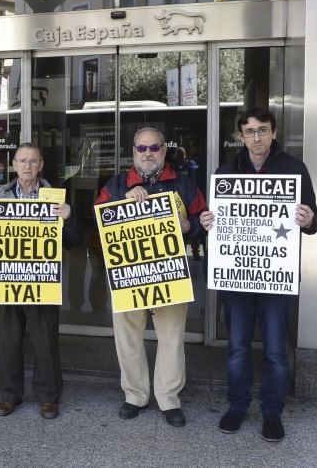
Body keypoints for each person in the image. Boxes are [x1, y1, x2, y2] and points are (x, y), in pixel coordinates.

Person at [200, 108, 317, 441]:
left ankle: (272, 413)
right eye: (250, 132)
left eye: (262, 131)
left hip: (275, 279)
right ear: (241, 136)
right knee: (238, 348)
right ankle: (237, 406)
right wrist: (207, 224)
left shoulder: (294, 171)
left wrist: (309, 218)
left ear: (274, 133)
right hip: (237, 278)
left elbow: (314, 223)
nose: (256, 137)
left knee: (275, 351)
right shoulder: (225, 173)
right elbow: (217, 226)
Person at [95, 127, 206, 428]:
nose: (148, 153)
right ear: (133, 151)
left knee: (171, 337)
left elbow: (204, 220)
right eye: (142, 148)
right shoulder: (117, 184)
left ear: (164, 151)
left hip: (169, 275)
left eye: (154, 147)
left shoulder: (183, 184)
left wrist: (189, 227)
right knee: (128, 337)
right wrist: (121, 201)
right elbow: (99, 218)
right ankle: (135, 395)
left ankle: (169, 399)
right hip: (129, 274)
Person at [0, 143, 83, 419]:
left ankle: (48, 397)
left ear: (41, 165)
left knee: (45, 341)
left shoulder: (56, 198)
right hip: (8, 280)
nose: (27, 166)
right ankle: (9, 396)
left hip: (41, 280)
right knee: (8, 341)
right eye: (22, 161)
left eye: (33, 161)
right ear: (13, 165)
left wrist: (69, 219)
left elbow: (73, 241)